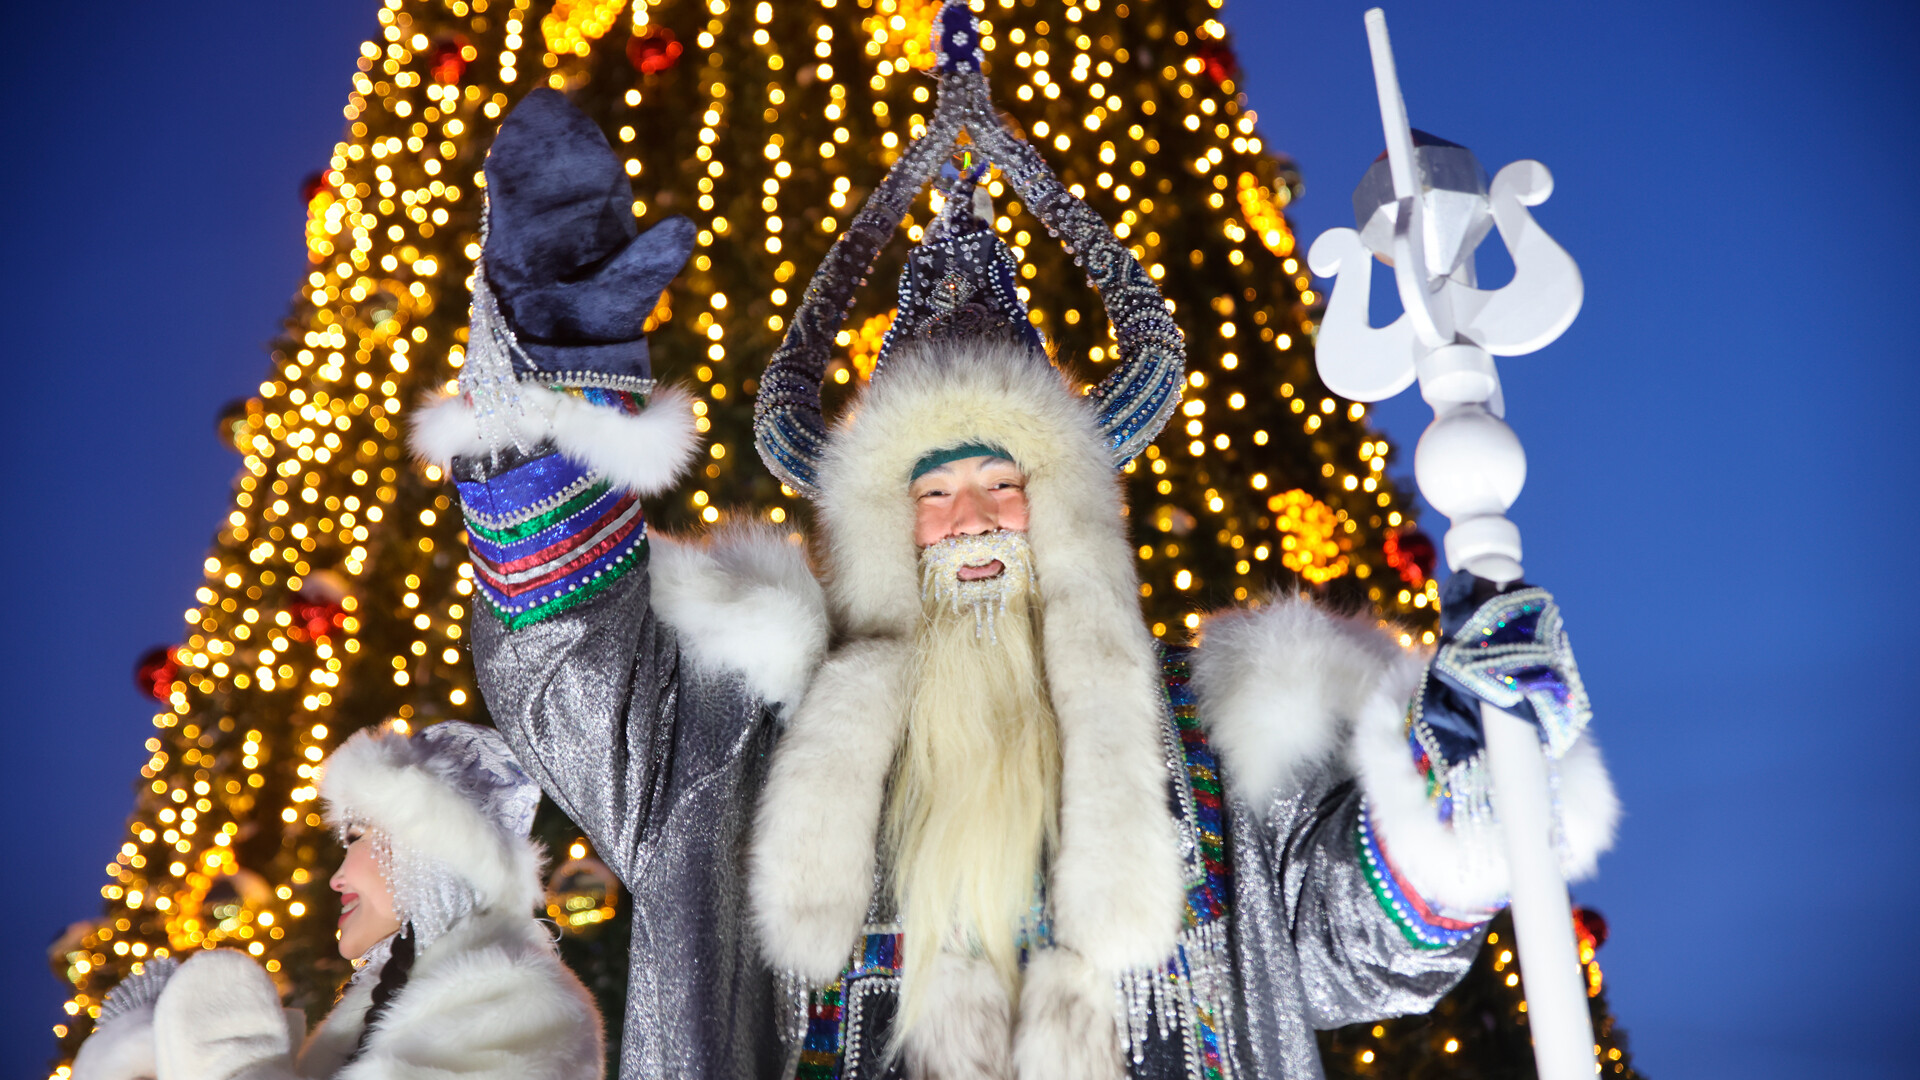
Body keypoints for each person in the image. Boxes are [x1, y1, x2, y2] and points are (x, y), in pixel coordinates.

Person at [417, 9, 1618, 1078]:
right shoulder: (735, 752)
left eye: (1007, 482)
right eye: (935, 495)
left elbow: (1357, 955)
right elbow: (568, 661)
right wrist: (555, 400)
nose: (977, 521)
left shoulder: (1206, 763)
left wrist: (1461, 766)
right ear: (886, 529)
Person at [71, 721, 604, 1080]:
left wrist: (221, 1044)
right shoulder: (382, 1001)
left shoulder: (519, 1003)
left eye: (356, 839)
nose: (338, 878)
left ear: (429, 848)